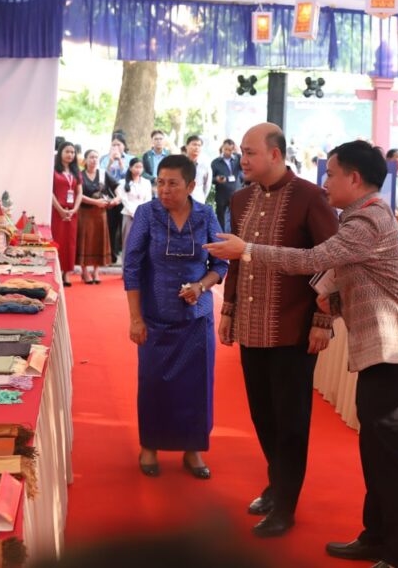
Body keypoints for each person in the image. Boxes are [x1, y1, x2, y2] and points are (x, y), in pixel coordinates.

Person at [206, 141, 398, 568]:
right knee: (376, 453)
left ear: (354, 178)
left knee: (389, 459)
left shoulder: (368, 218)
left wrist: (248, 250)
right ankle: (376, 538)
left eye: (331, 174)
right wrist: (327, 298)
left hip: (397, 353)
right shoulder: (359, 216)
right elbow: (336, 270)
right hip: (383, 354)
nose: (325, 181)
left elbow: (315, 257)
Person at [215, 123, 338, 539]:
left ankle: (285, 504)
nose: (243, 159)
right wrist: (229, 310)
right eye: (242, 152)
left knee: (291, 421)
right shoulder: (240, 198)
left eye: (250, 152)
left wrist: (323, 320)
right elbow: (236, 260)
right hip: (251, 324)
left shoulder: (310, 197)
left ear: (275, 154)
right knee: (262, 414)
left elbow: (331, 260)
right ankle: (277, 485)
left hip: (294, 327)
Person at [124, 155, 229, 478]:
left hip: (196, 319)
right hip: (155, 316)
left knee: (196, 386)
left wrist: (201, 286)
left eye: (172, 184)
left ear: (191, 185)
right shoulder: (147, 213)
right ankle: (150, 446)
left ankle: (193, 449)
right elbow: (132, 267)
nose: (164, 190)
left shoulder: (206, 215)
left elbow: (221, 264)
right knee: (153, 384)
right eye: (160, 183)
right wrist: (135, 318)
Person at [77, 150, 120, 284]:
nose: (94, 160)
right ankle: (84, 271)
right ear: (85, 160)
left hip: (100, 214)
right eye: (91, 157)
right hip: (84, 213)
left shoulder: (102, 173)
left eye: (96, 157)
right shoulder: (80, 175)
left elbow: (117, 186)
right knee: (85, 242)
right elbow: (78, 194)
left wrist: (117, 198)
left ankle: (96, 271)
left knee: (98, 241)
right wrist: (95, 202)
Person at [52, 141, 82, 287]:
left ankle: (67, 273)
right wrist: (60, 210)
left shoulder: (76, 172)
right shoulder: (53, 170)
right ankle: (56, 272)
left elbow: (80, 193)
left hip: (72, 213)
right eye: (67, 151)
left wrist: (74, 209)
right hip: (57, 212)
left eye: (72, 152)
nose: (70, 154)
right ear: (60, 153)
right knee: (58, 241)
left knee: (70, 243)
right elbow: (50, 192)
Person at [118, 158, 152, 255]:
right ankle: (126, 263)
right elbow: (124, 199)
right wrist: (133, 212)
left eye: (140, 167)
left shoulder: (146, 182)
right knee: (127, 240)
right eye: (136, 167)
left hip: (143, 216)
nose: (138, 169)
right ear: (130, 168)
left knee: (142, 241)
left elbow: (148, 199)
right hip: (129, 215)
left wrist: (141, 212)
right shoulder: (122, 182)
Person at [102, 139, 127, 261]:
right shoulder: (104, 159)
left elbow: (129, 175)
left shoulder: (130, 158)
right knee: (111, 226)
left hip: (126, 198)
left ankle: (124, 254)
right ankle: (111, 254)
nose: (116, 147)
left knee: (124, 227)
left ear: (124, 146)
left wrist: (121, 162)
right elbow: (101, 175)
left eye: (118, 144)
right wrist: (110, 162)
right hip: (110, 197)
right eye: (113, 144)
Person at [211, 139, 242, 231]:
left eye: (230, 150)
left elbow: (244, 166)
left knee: (236, 216)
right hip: (222, 194)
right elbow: (210, 179)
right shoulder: (216, 162)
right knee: (221, 217)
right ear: (222, 148)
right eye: (226, 149)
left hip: (236, 192)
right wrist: (216, 179)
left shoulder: (237, 159)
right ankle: (221, 235)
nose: (228, 152)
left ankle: (234, 234)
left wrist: (238, 152)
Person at [185, 134, 212, 205]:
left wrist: (202, 197)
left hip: (198, 200)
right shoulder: (180, 163)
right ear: (186, 146)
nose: (196, 147)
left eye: (199, 145)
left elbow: (207, 186)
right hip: (181, 200)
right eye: (194, 144)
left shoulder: (205, 165)